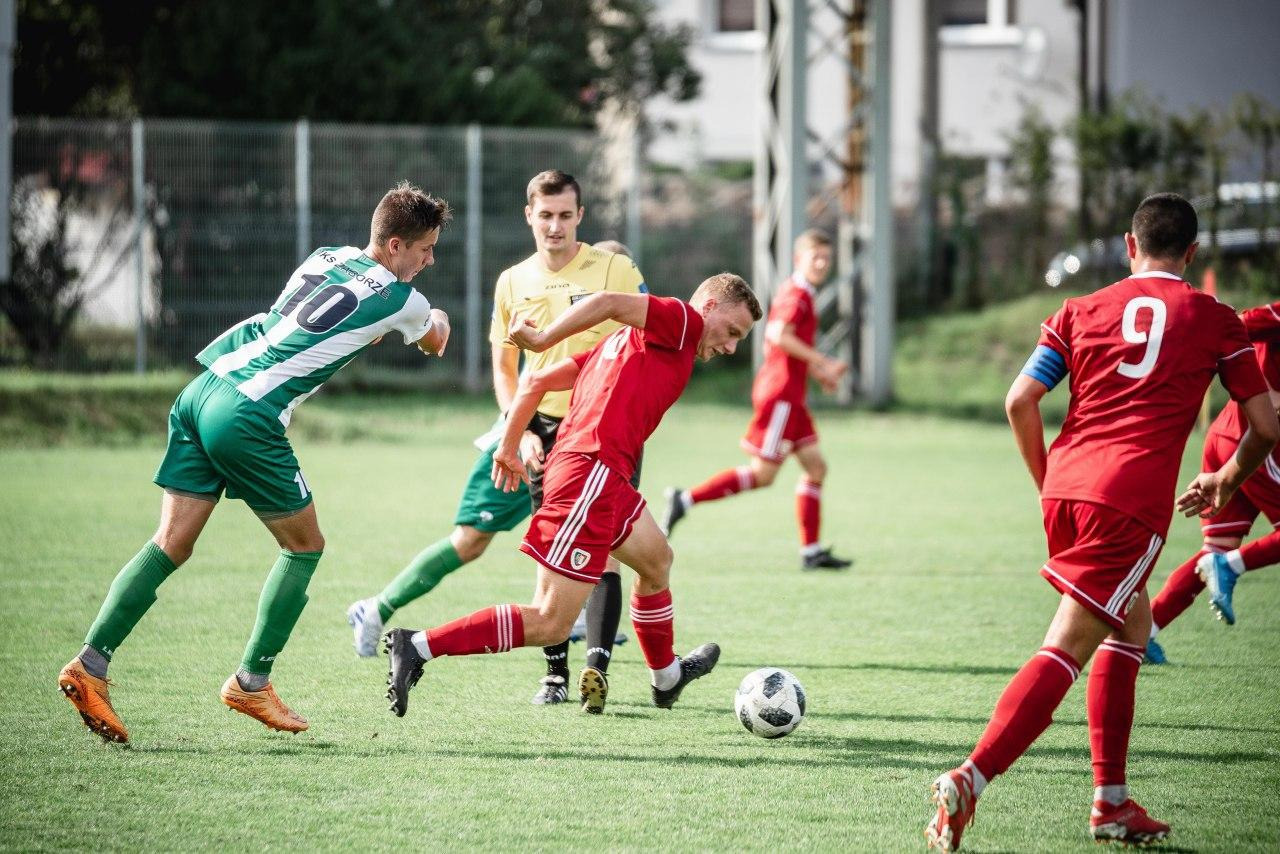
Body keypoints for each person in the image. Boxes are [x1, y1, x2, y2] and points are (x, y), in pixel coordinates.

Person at [924, 193, 1279, 852]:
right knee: (1066, 647)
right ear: (1191, 253)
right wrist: (1227, 479)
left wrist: (1047, 483)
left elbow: (1020, 400)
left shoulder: (1079, 310)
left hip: (1065, 486)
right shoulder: (1215, 318)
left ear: (1129, 246)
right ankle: (971, 777)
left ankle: (1111, 804)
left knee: (1132, 625)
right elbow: (1264, 425)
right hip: (1128, 501)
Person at [57, 182, 453, 743]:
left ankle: (89, 665)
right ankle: (251, 681)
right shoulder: (404, 299)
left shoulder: (327, 256)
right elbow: (434, 342)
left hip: (204, 389)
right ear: (395, 246)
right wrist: (438, 315)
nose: (429, 260)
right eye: (425, 249)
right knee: (304, 546)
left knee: (170, 543)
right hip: (248, 414)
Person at [381, 274, 763, 718]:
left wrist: (508, 447)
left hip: (603, 478)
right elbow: (608, 301)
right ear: (709, 306)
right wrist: (542, 339)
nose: (731, 347)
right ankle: (418, 645)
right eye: (732, 332)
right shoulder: (683, 320)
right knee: (550, 622)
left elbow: (536, 383)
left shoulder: (622, 343)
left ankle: (667, 678)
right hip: (590, 475)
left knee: (657, 562)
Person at [346, 171, 646, 709]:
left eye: (565, 215)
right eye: (545, 215)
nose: (555, 225)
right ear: (529, 215)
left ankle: (600, 665)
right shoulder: (513, 282)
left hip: (602, 435)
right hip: (537, 435)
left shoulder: (614, 271)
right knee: (483, 541)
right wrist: (522, 430)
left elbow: (645, 344)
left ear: (580, 216)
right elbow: (506, 370)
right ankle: (383, 610)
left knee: (603, 551)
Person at [661, 229, 851, 570]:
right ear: (798, 259)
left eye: (827, 258)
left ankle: (811, 552)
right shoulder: (796, 294)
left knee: (816, 468)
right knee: (763, 475)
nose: (822, 264)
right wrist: (823, 362)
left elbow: (789, 347)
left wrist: (818, 372)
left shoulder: (803, 294)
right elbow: (778, 335)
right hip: (781, 396)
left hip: (793, 397)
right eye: (816, 257)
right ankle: (684, 500)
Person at [1146, 300, 1280, 663]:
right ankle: (1230, 566)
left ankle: (1145, 632)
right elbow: (1234, 325)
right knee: (1222, 559)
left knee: (1216, 548)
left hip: (1232, 436)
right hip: (1253, 442)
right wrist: (1266, 388)